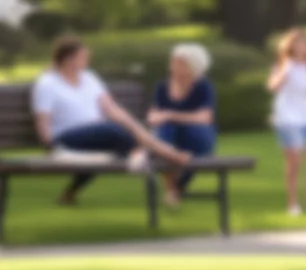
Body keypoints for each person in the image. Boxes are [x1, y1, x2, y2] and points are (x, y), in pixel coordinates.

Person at [31, 36, 192, 204]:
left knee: (117, 131)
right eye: (84, 57)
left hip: (97, 135)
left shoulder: (89, 77)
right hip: (66, 138)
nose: (88, 61)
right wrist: (49, 146)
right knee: (109, 129)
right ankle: (163, 154)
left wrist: (136, 128)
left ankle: (145, 153)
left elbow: (112, 109)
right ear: (68, 59)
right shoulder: (47, 84)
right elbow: (43, 120)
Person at [147, 42, 217, 208]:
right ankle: (172, 189)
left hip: (197, 140)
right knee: (165, 130)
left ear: (194, 67)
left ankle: (175, 189)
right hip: (169, 141)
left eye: (180, 64)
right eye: (173, 63)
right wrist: (162, 117)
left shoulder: (203, 87)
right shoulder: (163, 87)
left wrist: (171, 115)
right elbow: (152, 116)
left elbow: (205, 118)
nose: (174, 68)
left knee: (188, 133)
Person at [267, 28, 306, 216]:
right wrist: (285, 69)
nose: (301, 47)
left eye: (304, 43)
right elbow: (273, 86)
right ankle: (292, 203)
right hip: (287, 118)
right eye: (297, 43)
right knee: (294, 162)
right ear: (289, 46)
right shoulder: (282, 64)